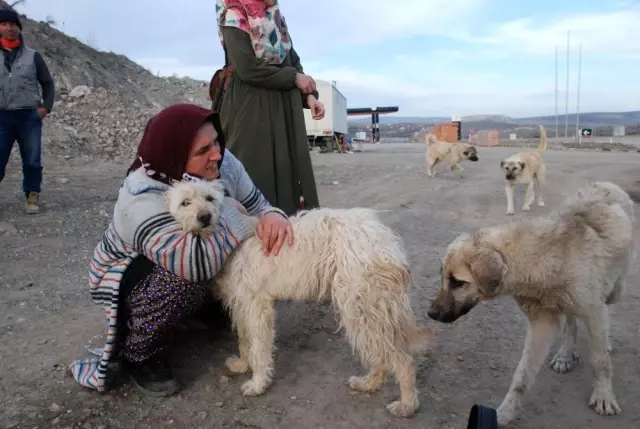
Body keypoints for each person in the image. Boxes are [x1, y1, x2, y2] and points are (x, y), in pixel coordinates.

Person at [69, 103, 294, 397]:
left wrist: (274, 214)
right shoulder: (141, 193)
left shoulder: (222, 163)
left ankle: (203, 310)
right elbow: (193, 263)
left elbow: (259, 207)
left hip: (203, 255)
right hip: (134, 275)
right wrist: (228, 211)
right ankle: (141, 353)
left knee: (247, 260)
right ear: (174, 153)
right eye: (203, 150)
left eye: (216, 141)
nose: (216, 153)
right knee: (185, 279)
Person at [216, 0, 324, 216]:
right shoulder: (235, 15)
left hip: (283, 108)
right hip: (249, 108)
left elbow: (292, 61)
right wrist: (294, 78)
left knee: (287, 174)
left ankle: (285, 232)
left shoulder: (275, 20)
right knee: (254, 172)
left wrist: (309, 97)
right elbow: (247, 70)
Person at [0, 8, 55, 214]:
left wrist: (45, 108)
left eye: (13, 24)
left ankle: (32, 196)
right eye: (4, 24)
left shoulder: (33, 56)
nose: (9, 28)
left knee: (32, 160)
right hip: (1, 116)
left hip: (28, 117)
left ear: (19, 28)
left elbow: (48, 84)